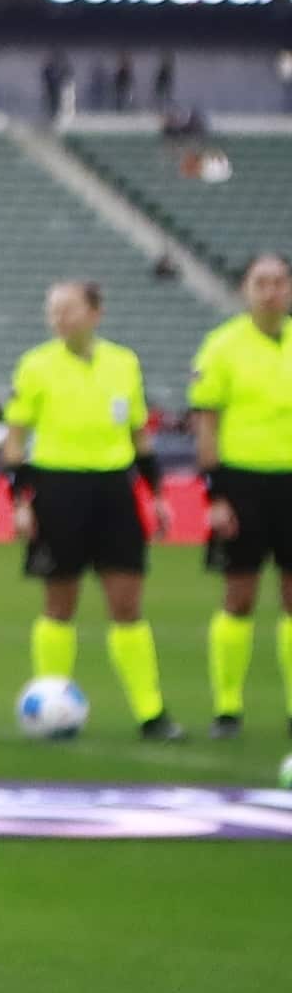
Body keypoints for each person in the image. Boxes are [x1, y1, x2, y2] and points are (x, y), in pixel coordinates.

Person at [6, 280, 168, 738]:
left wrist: (156, 496)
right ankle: (50, 708)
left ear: (96, 313)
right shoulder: (35, 365)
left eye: (68, 309)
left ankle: (151, 712)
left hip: (115, 491)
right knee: (59, 604)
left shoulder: (124, 363)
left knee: (127, 603)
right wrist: (20, 501)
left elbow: (140, 438)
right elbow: (15, 443)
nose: (58, 318)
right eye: (53, 310)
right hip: (58, 490)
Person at [192, 255, 292, 735]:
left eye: (279, 282)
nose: (270, 291)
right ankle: (227, 708)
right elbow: (206, 425)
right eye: (261, 282)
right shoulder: (222, 347)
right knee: (239, 596)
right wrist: (216, 495)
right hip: (243, 483)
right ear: (245, 290)